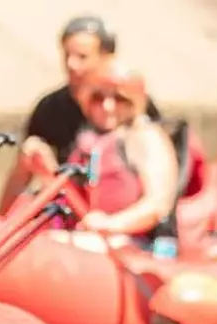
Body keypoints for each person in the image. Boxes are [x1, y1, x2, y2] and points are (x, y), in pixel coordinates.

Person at [0, 15, 163, 214]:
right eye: (66, 56)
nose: (72, 65)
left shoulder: (135, 106)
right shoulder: (51, 108)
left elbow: (159, 189)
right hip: (69, 210)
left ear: (107, 57)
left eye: (82, 57)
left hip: (122, 217)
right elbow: (23, 173)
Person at [43, 62, 181, 245]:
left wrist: (111, 224)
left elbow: (157, 205)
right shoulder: (88, 137)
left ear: (135, 103)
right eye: (98, 98)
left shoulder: (146, 137)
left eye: (120, 98)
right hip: (88, 236)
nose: (108, 106)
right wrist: (44, 170)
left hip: (132, 242)